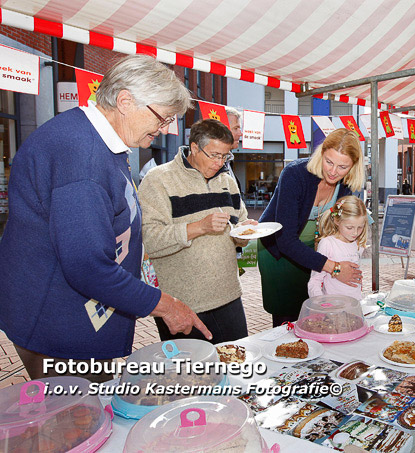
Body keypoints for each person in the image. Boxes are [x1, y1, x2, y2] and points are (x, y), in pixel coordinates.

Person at [0, 55, 211, 382]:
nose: (166, 128)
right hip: (57, 326)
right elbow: (87, 266)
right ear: (125, 101)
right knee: (79, 421)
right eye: (164, 117)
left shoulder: (98, 141)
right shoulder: (81, 158)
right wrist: (165, 305)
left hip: (74, 318)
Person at [138, 119, 257, 344]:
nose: (220, 162)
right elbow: (150, 240)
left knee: (236, 369)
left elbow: (239, 228)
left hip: (229, 296)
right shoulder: (158, 180)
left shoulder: (227, 181)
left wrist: (245, 232)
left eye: (225, 156)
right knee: (191, 376)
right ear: (194, 148)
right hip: (182, 304)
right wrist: (199, 227)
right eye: (214, 155)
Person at [258, 128, 364, 327]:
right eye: (329, 162)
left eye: (342, 167)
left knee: (316, 315)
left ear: (353, 167)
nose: (333, 172)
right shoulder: (295, 174)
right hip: (279, 252)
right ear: (321, 153)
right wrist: (335, 267)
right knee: (288, 318)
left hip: (315, 251)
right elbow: (285, 240)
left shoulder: (347, 184)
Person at [308, 195, 368, 300]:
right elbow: (315, 281)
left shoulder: (357, 243)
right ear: (337, 221)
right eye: (349, 227)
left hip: (355, 305)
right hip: (333, 307)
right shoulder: (327, 244)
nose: (355, 232)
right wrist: (321, 303)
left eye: (360, 227)